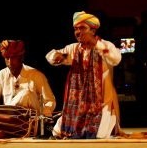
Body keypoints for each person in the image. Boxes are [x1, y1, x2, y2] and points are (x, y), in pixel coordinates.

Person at [46, 11, 123, 139]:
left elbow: (116, 59)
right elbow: (51, 55)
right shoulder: (74, 49)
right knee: (57, 133)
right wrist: (56, 57)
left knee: (98, 135)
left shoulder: (104, 45)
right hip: (78, 104)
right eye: (76, 28)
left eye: (82, 28)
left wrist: (95, 43)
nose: (78, 32)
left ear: (93, 31)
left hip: (100, 104)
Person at [0, 39, 56, 137]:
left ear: (21, 57)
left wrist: (43, 118)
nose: (10, 61)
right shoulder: (1, 75)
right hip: (9, 123)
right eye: (7, 58)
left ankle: (3, 129)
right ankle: (4, 127)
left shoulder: (36, 75)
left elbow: (50, 101)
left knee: (26, 93)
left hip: (32, 122)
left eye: (13, 58)